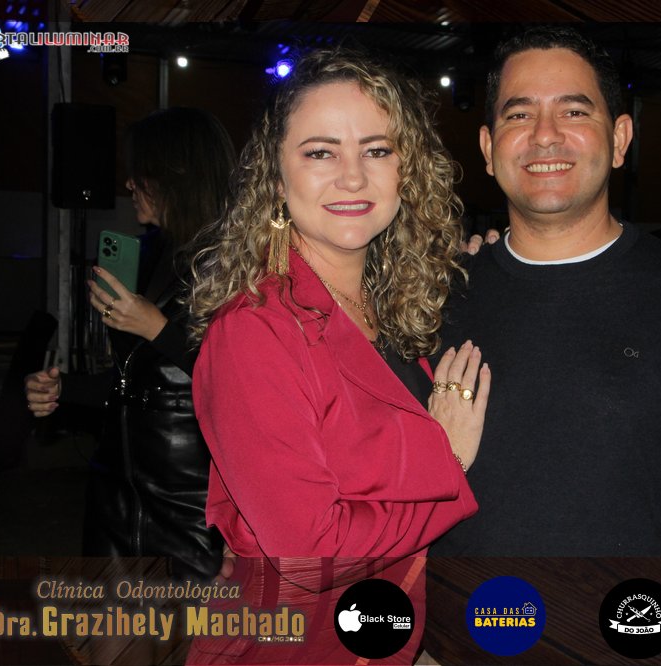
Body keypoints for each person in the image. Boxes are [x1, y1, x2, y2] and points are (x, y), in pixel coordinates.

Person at [430, 26, 661, 559]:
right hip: (470, 613)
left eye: (574, 112)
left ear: (619, 139)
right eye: (519, 115)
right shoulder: (437, 299)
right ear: (487, 147)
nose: (544, 135)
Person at [186, 48, 489, 664]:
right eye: (321, 152)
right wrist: (449, 461)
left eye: (376, 150)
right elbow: (308, 553)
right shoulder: (254, 330)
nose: (353, 177)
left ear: (407, 171)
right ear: (276, 180)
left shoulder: (393, 306)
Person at [24, 107, 234, 580]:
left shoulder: (234, 263)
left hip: (193, 497)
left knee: (189, 623)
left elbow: (246, 384)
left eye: (140, 172)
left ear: (175, 173)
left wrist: (158, 328)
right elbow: (132, 380)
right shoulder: (148, 253)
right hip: (115, 487)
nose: (129, 184)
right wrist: (63, 390)